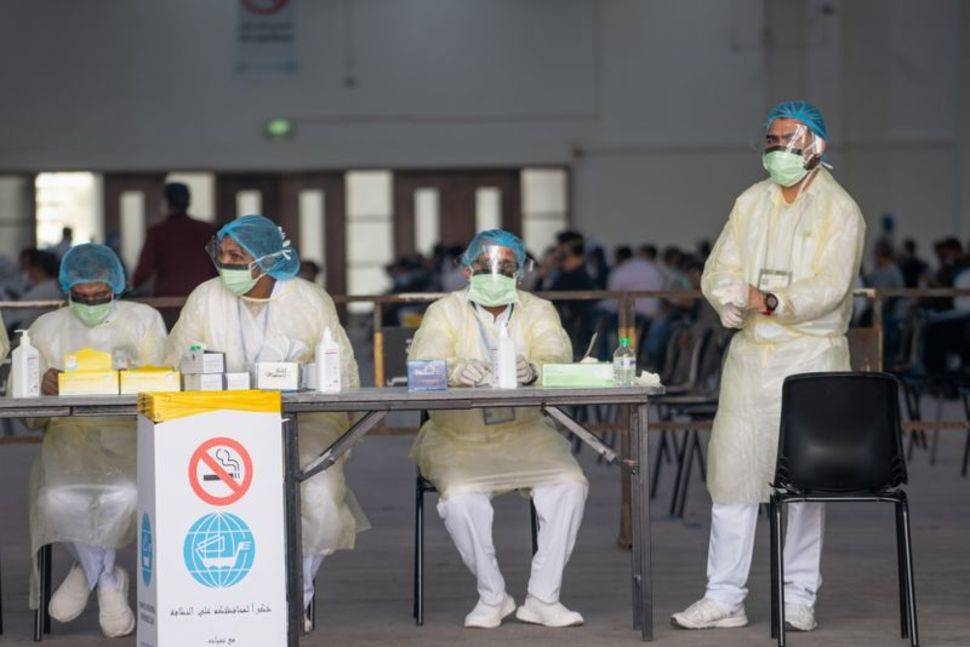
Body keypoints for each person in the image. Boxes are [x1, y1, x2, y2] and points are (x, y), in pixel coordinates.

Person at [672, 101, 865, 633]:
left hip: (811, 357)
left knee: (802, 483)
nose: (779, 150)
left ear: (816, 146)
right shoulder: (750, 202)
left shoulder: (839, 209)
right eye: (772, 140)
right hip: (753, 359)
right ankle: (723, 596)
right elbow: (721, 266)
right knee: (733, 476)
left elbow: (831, 285)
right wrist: (727, 297)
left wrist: (773, 300)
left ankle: (798, 595)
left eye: (790, 140)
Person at [165, 214, 366, 629]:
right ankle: (232, 597)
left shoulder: (309, 300)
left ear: (267, 258)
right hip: (220, 422)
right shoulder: (205, 298)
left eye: (236, 256)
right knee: (217, 497)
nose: (226, 265)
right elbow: (175, 365)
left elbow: (342, 375)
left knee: (320, 496)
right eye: (221, 255)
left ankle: (298, 591)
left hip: (305, 422)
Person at [408, 229, 588, 629]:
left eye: (506, 266)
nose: (495, 273)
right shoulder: (445, 310)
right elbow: (424, 361)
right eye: (486, 265)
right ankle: (493, 595)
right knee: (459, 499)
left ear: (521, 271)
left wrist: (535, 369)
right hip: (458, 437)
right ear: (468, 269)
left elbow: (557, 354)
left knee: (569, 485)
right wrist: (455, 371)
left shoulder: (537, 310)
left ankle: (544, 597)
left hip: (526, 433)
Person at [28, 244, 167, 638]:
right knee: (55, 497)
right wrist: (41, 385)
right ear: (67, 291)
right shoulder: (46, 330)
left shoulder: (144, 321)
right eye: (81, 297)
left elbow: (163, 384)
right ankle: (106, 580)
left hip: (130, 437)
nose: (91, 304)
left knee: (124, 493)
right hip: (68, 441)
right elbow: (25, 405)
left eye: (100, 296)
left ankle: (85, 571)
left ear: (117, 288)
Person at [132, 182, 218, 301]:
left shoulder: (158, 232)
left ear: (166, 203)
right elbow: (218, 267)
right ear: (189, 202)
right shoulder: (207, 230)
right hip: (202, 298)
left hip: (168, 301)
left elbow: (143, 271)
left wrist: (125, 290)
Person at [548, 230, 597, 357]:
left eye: (558, 247)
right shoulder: (583, 272)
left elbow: (544, 299)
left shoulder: (572, 277)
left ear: (567, 249)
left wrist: (544, 272)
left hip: (571, 335)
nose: (556, 251)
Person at [7, 249, 61, 332]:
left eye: (27, 268)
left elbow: (18, 322)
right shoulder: (56, 287)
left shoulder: (40, 292)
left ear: (37, 269)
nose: (25, 272)